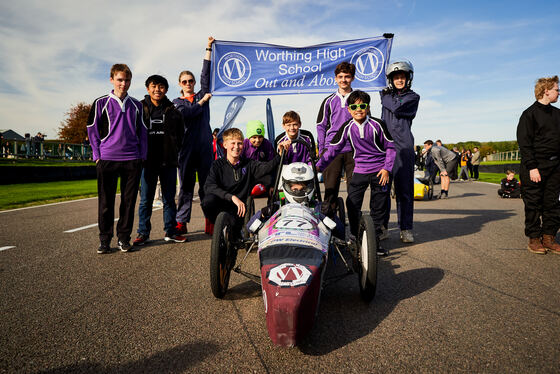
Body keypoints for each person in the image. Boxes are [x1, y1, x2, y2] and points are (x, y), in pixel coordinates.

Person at [317, 90, 396, 256]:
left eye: (362, 105)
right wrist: (317, 167)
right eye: (354, 106)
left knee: (378, 208)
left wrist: (387, 168)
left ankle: (375, 243)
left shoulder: (378, 124)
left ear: (367, 108)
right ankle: (355, 236)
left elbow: (390, 147)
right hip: (360, 169)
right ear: (349, 110)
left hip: (380, 171)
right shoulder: (347, 127)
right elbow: (332, 150)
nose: (358, 109)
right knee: (352, 204)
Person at [87, 63, 147, 254]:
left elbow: (143, 134)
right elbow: (92, 131)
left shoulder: (137, 105)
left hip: (132, 160)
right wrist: (97, 156)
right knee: (106, 203)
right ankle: (105, 240)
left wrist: (141, 157)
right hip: (107, 160)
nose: (123, 83)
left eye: (127, 80)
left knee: (128, 203)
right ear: (112, 79)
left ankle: (124, 238)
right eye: (120, 80)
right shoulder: (100, 103)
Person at [201, 128, 288, 236]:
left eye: (240, 143)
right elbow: (209, 186)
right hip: (223, 203)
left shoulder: (249, 164)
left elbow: (267, 167)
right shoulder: (217, 165)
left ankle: (236, 230)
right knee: (207, 201)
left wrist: (280, 154)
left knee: (234, 235)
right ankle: (218, 226)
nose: (236, 147)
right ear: (225, 145)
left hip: (240, 209)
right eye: (233, 143)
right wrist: (231, 197)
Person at [133, 74, 186, 246]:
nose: (157, 89)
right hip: (147, 162)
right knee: (146, 200)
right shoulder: (139, 109)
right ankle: (143, 233)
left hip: (168, 162)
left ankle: (170, 231)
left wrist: (173, 150)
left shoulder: (174, 112)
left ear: (166, 89)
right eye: (154, 86)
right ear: (148, 89)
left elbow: (180, 136)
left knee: (169, 200)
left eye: (161, 86)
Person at [174, 36, 214, 236]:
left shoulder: (202, 94)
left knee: (207, 187)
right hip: (186, 150)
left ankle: (210, 220)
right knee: (186, 188)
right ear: (180, 84)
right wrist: (201, 102)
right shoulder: (176, 103)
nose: (188, 83)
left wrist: (208, 49)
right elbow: (187, 113)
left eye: (191, 81)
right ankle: (181, 222)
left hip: (205, 147)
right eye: (184, 81)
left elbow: (206, 76)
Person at [516, 75, 560, 255]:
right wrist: (532, 167)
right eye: (557, 89)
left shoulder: (558, 114)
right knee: (533, 203)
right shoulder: (529, 114)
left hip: (556, 166)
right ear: (546, 90)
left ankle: (549, 237)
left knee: (552, 203)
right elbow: (524, 143)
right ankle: (534, 239)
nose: (559, 93)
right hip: (534, 167)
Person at [380, 60, 420, 243]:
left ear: (408, 78)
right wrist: (386, 96)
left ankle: (406, 228)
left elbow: (396, 106)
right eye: (396, 77)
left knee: (404, 191)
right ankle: (382, 227)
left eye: (402, 76)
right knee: (383, 189)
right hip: (385, 147)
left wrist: (385, 96)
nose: (399, 80)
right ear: (391, 79)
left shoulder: (413, 97)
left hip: (404, 148)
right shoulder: (386, 94)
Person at [316, 62, 356, 211]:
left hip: (353, 149)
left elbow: (366, 123)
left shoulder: (358, 99)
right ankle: (330, 229)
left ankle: (355, 230)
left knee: (354, 192)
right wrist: (322, 149)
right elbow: (320, 125)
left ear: (352, 78)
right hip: (332, 150)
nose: (343, 80)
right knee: (330, 192)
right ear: (335, 79)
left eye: (347, 76)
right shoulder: (328, 101)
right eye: (340, 77)